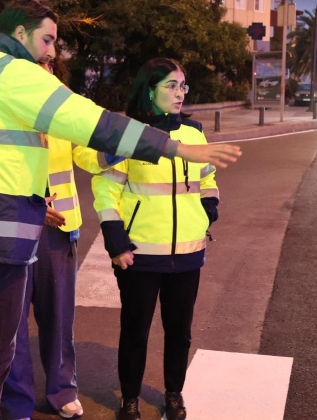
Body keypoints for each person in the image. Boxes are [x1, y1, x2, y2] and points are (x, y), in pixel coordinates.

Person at [0, 0, 240, 420]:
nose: (52, 52)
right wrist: (177, 146)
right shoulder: (14, 73)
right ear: (20, 34)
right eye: (47, 39)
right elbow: (94, 123)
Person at [90, 58, 220, 420]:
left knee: (180, 332)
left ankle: (174, 393)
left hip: (189, 252)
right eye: (171, 85)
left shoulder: (194, 133)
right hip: (140, 254)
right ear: (149, 89)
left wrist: (209, 206)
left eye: (183, 86)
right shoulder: (129, 134)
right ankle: (129, 398)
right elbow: (106, 188)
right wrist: (115, 239)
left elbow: (207, 176)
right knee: (135, 332)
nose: (179, 93)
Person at [2, 57, 85, 420]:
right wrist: (31, 206)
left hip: (59, 231)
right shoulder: (6, 116)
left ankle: (62, 391)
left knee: (59, 317)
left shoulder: (63, 116)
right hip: (17, 229)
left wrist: (119, 147)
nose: (45, 71)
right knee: (13, 322)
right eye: (38, 64)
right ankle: (18, 402)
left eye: (49, 65)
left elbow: (90, 153)